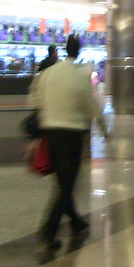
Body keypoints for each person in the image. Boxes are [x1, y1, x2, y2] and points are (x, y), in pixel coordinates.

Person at [28, 34, 110, 250]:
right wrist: (104, 128)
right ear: (79, 50)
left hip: (50, 132)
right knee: (67, 185)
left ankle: (75, 221)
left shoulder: (48, 73)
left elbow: (33, 99)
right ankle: (48, 231)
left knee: (62, 181)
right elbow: (91, 105)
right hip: (72, 134)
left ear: (64, 49)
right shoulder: (80, 75)